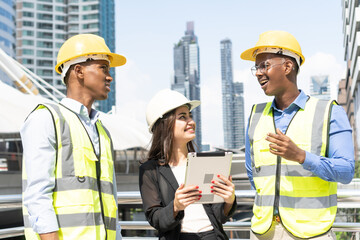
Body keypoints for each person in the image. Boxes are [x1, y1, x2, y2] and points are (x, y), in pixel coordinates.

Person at [240, 30, 355, 240]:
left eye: (264, 65)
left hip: (311, 233)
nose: (258, 73)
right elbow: (252, 174)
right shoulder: (255, 115)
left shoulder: (329, 111)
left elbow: (346, 171)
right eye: (256, 67)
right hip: (263, 232)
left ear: (287, 66)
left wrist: (302, 157)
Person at [21, 34, 126, 240]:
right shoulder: (46, 118)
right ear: (79, 71)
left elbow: (110, 200)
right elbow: (37, 196)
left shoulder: (103, 132)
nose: (109, 76)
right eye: (103, 68)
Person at [139, 89, 237, 240]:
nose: (191, 121)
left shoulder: (205, 162)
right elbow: (155, 219)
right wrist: (175, 206)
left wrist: (229, 201)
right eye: (182, 117)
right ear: (164, 124)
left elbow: (219, 217)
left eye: (190, 116)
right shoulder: (150, 170)